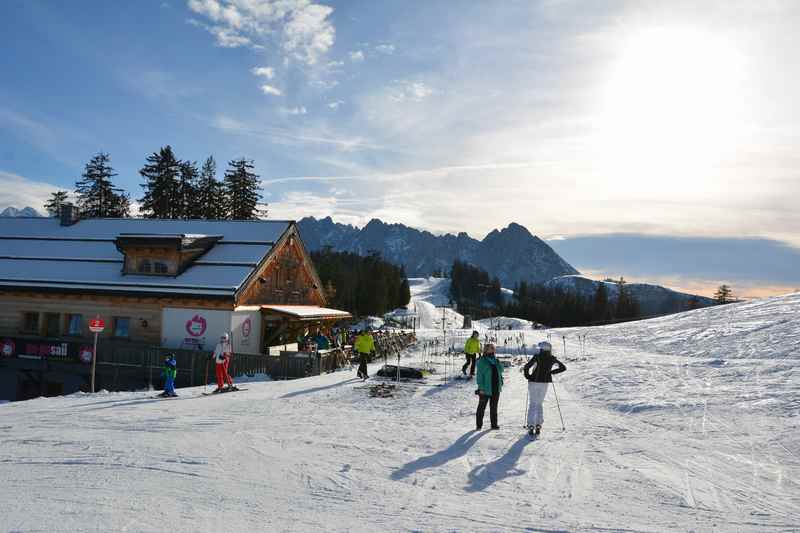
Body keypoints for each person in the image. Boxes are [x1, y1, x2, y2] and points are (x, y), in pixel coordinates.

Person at [523, 341, 566, 436]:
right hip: (545, 382)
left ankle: (531, 424)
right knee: (539, 403)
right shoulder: (552, 358)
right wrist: (551, 373)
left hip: (534, 381)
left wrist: (528, 376)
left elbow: (526, 367)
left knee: (533, 403)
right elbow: (563, 368)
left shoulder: (537, 357)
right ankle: (538, 424)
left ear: (542, 349)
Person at [475, 343, 503, 430]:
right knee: (481, 407)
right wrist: (481, 388)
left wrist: (498, 363)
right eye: (491, 348)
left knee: (494, 407)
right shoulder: (482, 361)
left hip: (495, 387)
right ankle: (479, 425)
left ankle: (494, 425)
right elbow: (479, 376)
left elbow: (501, 370)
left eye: (493, 348)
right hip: (485, 388)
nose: (493, 350)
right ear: (486, 350)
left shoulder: (495, 360)